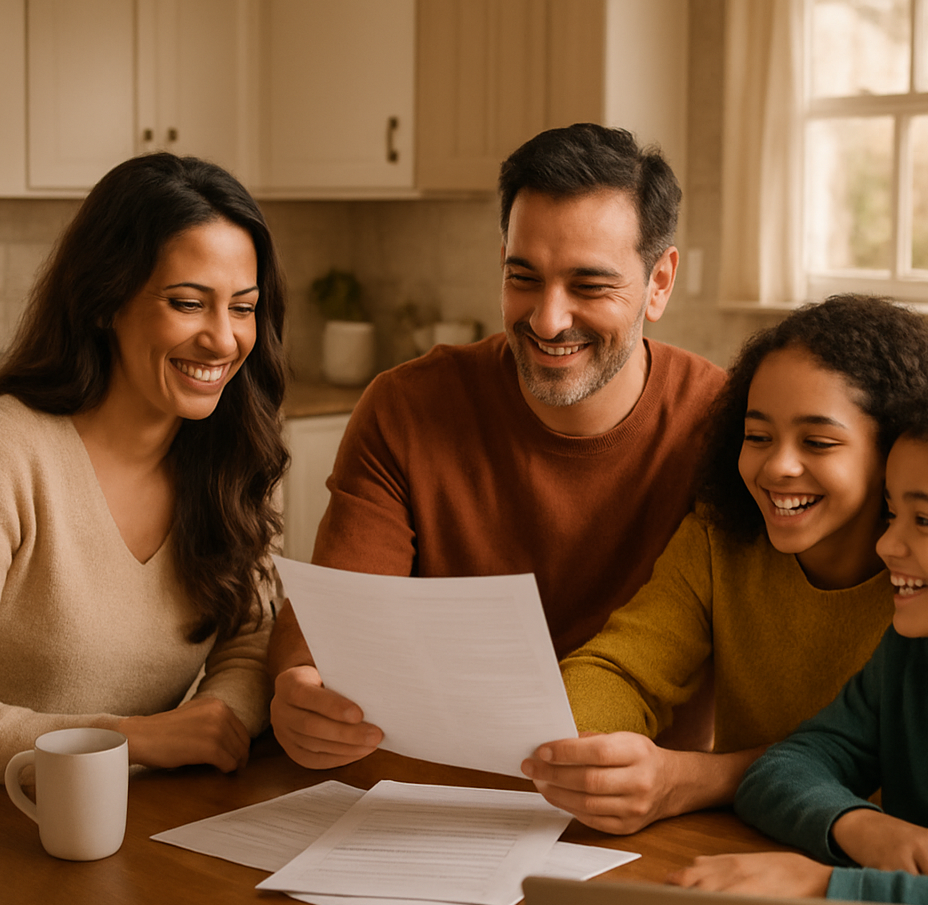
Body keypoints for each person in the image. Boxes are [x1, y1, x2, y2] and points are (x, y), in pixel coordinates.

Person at [269, 123, 726, 770]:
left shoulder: (726, 428)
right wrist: (299, 684)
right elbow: (335, 623)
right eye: (524, 277)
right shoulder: (407, 406)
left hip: (640, 803)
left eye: (590, 285)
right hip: (432, 790)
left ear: (659, 282)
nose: (547, 318)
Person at [522, 296, 928, 834]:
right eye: (757, 437)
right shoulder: (720, 538)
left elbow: (896, 772)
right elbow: (621, 666)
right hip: (745, 839)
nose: (778, 466)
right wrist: (588, 749)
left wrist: (691, 778)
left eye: (818, 442)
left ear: (894, 451)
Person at [0, 152, 289, 784]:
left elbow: (250, 638)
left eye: (242, 307)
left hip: (138, 826)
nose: (223, 339)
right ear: (104, 303)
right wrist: (130, 740)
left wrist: (220, 714)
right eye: (189, 303)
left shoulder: (228, 456)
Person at [667, 375, 928, 905]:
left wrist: (825, 885)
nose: (888, 545)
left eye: (926, 521)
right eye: (891, 515)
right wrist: (864, 828)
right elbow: (783, 768)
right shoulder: (910, 652)